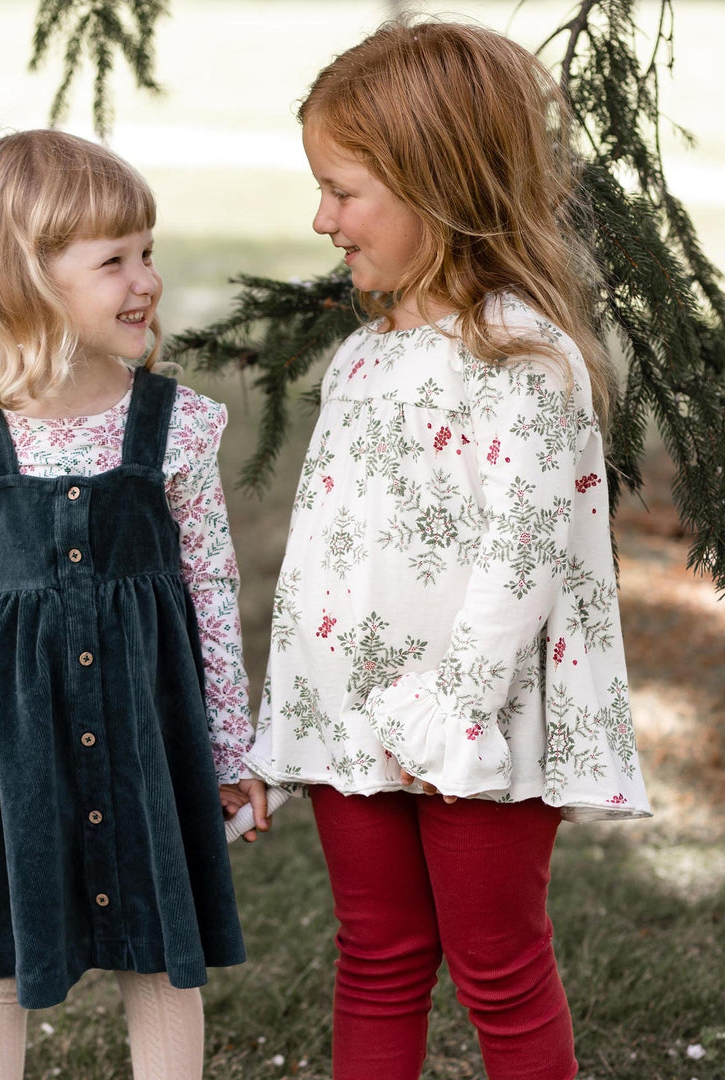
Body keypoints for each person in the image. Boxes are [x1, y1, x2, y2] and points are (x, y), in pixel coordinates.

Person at [244, 17, 652, 1080]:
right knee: (375, 956)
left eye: (344, 190)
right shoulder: (365, 357)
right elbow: (334, 553)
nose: (322, 218)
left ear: (440, 185)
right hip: (353, 711)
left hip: (475, 723)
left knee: (499, 968)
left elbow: (525, 554)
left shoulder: (523, 358)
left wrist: (449, 707)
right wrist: (301, 705)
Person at [0, 129, 265, 1080]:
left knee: (160, 952)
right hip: (11, 751)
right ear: (26, 279)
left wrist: (230, 748)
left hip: (148, 735)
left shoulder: (175, 425)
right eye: (113, 261)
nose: (145, 280)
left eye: (148, 252)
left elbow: (213, 589)